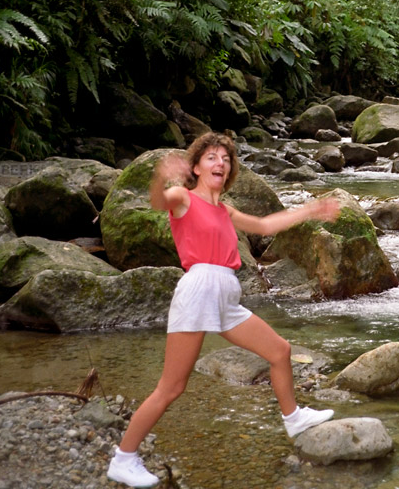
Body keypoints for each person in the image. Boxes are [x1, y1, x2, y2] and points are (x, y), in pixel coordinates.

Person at [107, 132, 340, 488]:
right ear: (197, 167)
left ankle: (292, 417)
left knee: (279, 351)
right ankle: (123, 458)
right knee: (172, 387)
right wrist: (161, 174)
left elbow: (263, 226)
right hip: (199, 288)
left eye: (226, 158)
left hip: (226, 294)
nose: (220, 163)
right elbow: (158, 201)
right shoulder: (183, 198)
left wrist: (311, 210)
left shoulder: (223, 209)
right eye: (212, 157)